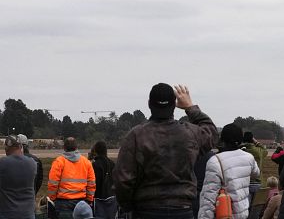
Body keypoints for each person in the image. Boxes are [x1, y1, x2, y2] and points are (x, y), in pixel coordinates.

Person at [113, 83, 218, 219]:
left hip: (146, 209)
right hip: (182, 209)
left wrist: (127, 206)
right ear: (174, 105)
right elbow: (212, 134)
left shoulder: (136, 135)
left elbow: (123, 179)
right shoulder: (190, 133)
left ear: (149, 104)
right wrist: (190, 107)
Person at [199, 123, 260, 219]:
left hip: (224, 213)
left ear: (223, 139)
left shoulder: (215, 161)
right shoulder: (249, 157)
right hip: (243, 213)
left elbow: (209, 197)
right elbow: (256, 173)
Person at [48, 137, 96, 218]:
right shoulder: (86, 162)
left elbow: (53, 184)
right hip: (82, 202)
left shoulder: (59, 162)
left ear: (64, 148)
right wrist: (89, 200)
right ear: (76, 147)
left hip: (63, 203)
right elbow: (91, 183)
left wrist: (52, 199)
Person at [0, 135, 37, 219]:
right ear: (21, 147)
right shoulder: (32, 163)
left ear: (6, 148)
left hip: (8, 214)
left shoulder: (2, 163)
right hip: (28, 214)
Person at [91, 141, 117, 219]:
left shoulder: (95, 165)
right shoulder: (112, 164)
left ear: (96, 151)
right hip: (112, 198)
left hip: (98, 198)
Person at [242, 131, 267, 205]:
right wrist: (256, 142)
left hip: (245, 183)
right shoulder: (259, 151)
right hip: (258, 182)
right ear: (252, 139)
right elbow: (265, 150)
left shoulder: (241, 150)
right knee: (256, 209)